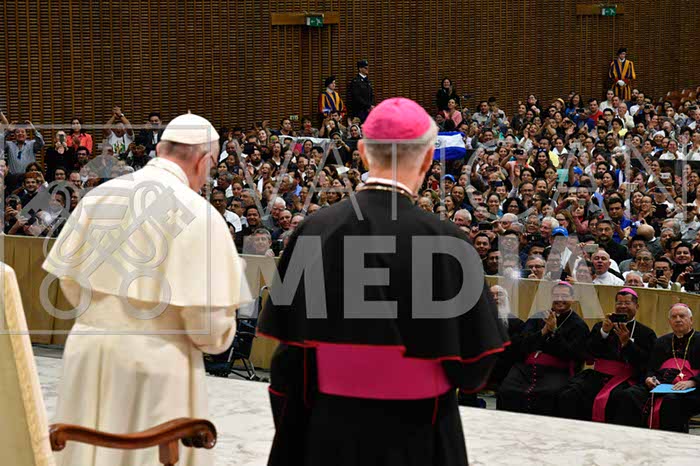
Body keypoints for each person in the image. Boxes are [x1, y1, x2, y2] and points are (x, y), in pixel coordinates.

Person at [257, 97, 508, 466]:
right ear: (428, 159)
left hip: (329, 433)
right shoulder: (448, 242)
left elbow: (289, 358)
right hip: (420, 436)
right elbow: (474, 369)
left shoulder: (314, 231)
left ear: (361, 152)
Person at [43, 112, 253, 466]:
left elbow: (69, 283)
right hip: (157, 367)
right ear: (203, 161)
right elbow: (210, 333)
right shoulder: (202, 216)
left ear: (161, 149)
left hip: (88, 354)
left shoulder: (99, 197)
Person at [558, 288, 656, 422]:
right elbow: (588, 352)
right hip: (597, 375)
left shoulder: (646, 333)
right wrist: (603, 332)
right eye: (619, 303)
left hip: (627, 379)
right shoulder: (601, 326)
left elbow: (646, 362)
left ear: (636, 306)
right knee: (570, 393)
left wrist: (627, 343)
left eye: (627, 303)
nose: (622, 306)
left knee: (622, 398)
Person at [497, 281, 589, 416]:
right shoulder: (538, 317)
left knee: (548, 394)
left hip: (557, 370)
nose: (559, 299)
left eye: (564, 296)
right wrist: (543, 332)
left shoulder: (579, 325)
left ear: (573, 299)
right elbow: (520, 343)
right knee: (506, 390)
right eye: (556, 295)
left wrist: (555, 331)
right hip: (525, 368)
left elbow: (573, 354)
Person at [614, 304, 700, 432]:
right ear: (669, 321)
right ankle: (632, 434)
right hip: (661, 384)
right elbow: (651, 367)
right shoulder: (661, 341)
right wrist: (649, 378)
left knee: (671, 400)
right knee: (629, 394)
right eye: (674, 317)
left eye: (682, 316)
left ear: (691, 320)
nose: (678, 319)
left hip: (693, 388)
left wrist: (692, 382)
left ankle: (670, 440)